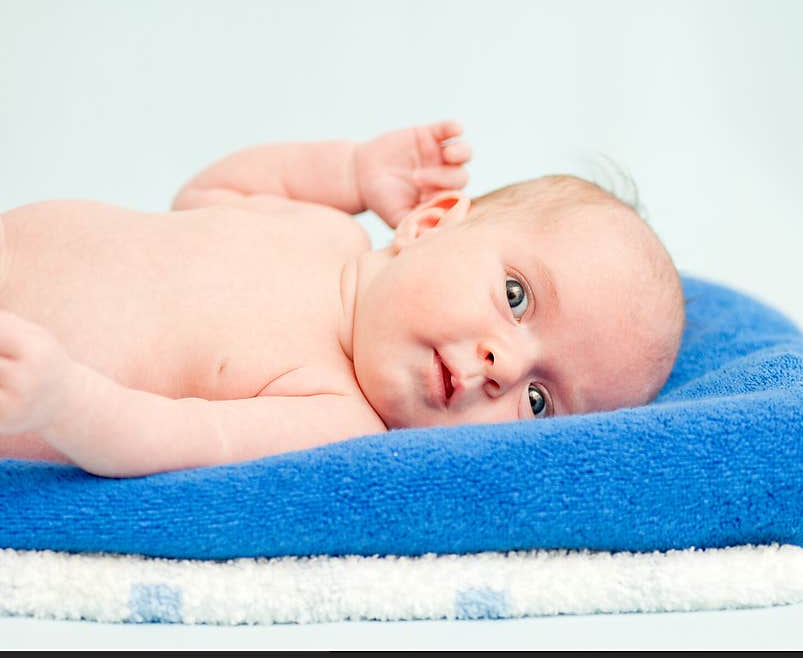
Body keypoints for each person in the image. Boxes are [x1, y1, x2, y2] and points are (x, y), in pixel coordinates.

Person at [0, 121, 684, 477]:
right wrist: (350, 169)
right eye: (516, 296)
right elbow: (206, 196)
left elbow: (176, 439)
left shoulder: (336, 417)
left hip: (25, 380)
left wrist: (65, 399)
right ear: (431, 221)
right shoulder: (327, 227)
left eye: (539, 401)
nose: (504, 364)